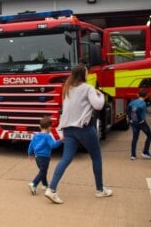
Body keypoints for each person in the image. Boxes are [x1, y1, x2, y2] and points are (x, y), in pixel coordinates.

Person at [45, 64, 112, 204]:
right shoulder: (88, 88)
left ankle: (51, 189)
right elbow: (98, 105)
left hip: (68, 129)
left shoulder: (67, 88)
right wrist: (100, 95)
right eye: (87, 72)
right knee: (96, 157)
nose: (88, 74)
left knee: (65, 159)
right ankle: (100, 190)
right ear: (83, 74)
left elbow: (67, 109)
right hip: (85, 129)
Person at [27, 116, 63, 195]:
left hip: (37, 157)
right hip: (44, 157)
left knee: (43, 171)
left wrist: (30, 154)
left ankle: (45, 185)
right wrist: (60, 140)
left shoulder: (36, 135)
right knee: (43, 172)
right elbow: (53, 145)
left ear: (40, 126)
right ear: (49, 127)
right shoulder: (47, 136)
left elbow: (31, 145)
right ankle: (33, 184)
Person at [128, 89, 151, 160]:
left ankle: (133, 155)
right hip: (141, 123)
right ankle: (145, 152)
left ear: (138, 95)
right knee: (150, 135)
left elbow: (128, 109)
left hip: (134, 122)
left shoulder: (133, 102)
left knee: (135, 138)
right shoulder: (143, 103)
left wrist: (130, 119)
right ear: (146, 96)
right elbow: (138, 110)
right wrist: (141, 120)